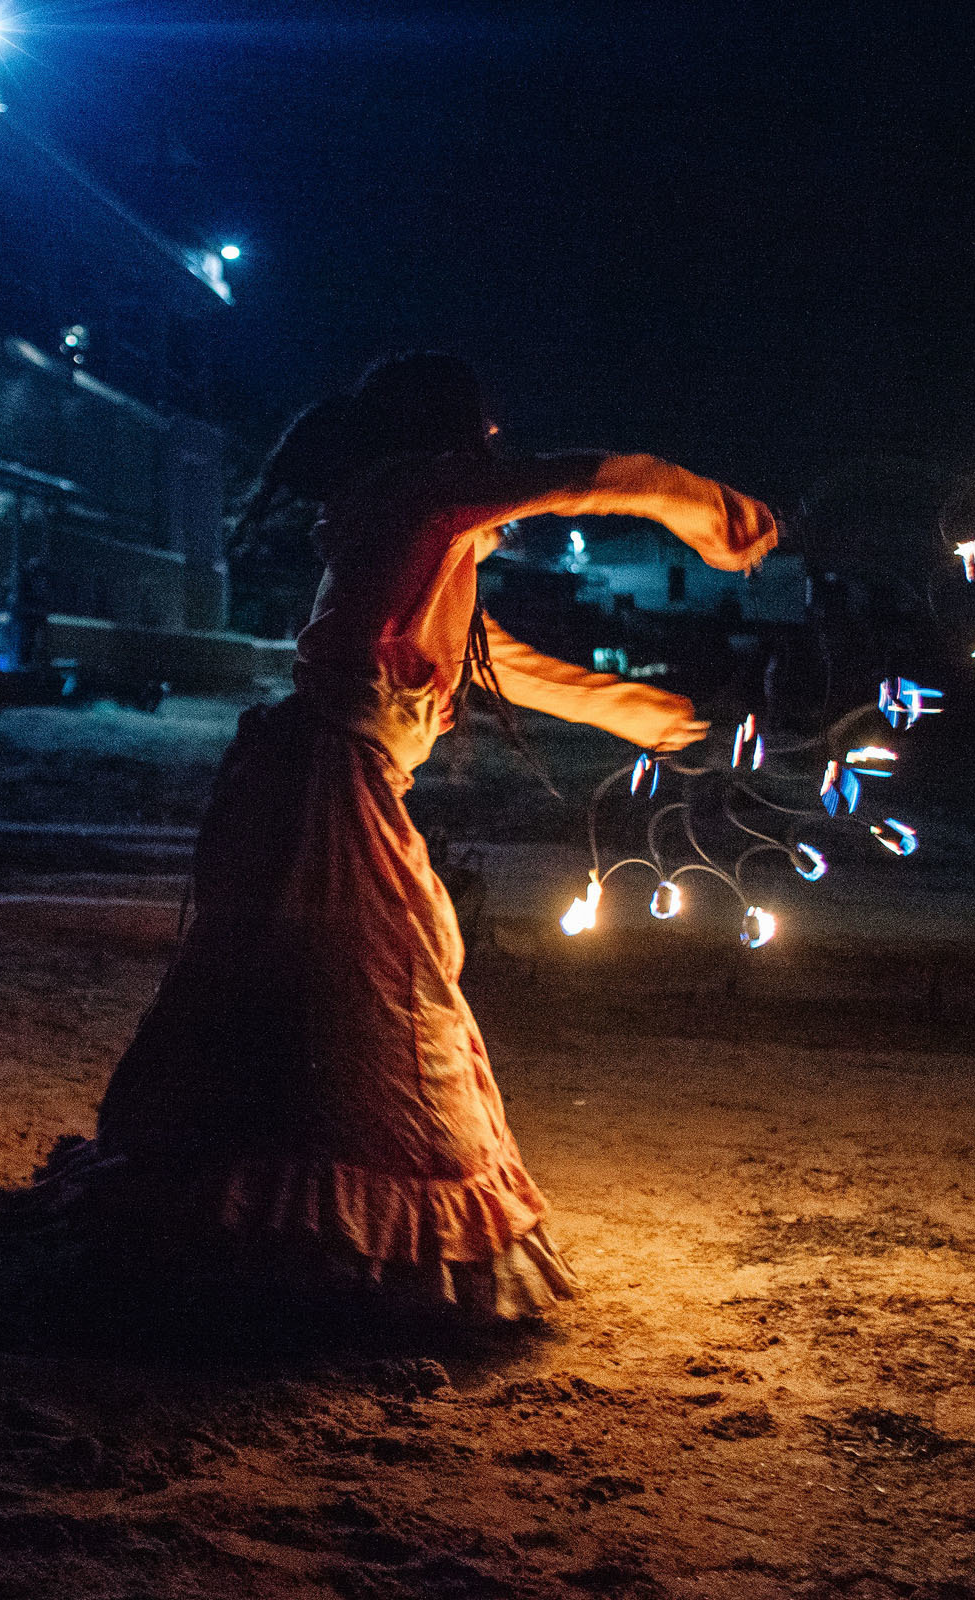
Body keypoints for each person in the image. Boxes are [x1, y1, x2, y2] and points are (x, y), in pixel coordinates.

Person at [60, 352, 779, 1323]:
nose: (493, 447)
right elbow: (574, 477)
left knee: (308, 1007)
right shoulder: (412, 493)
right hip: (324, 793)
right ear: (442, 434)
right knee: (387, 997)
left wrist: (627, 709)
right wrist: (692, 500)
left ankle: (260, 1230)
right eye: (481, 433)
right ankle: (345, 1250)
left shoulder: (418, 523)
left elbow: (492, 662)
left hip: (316, 786)